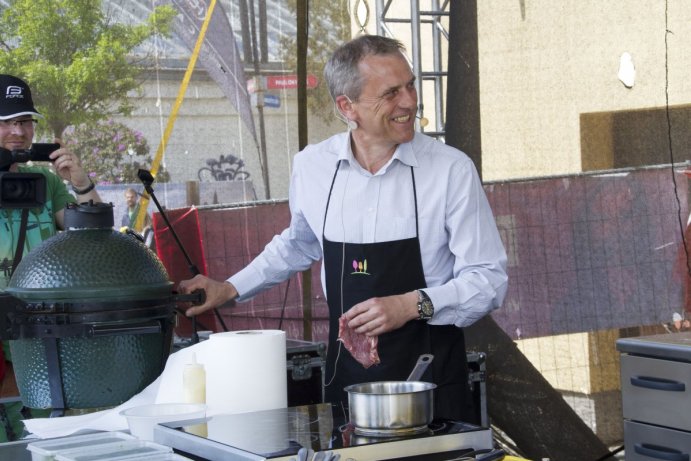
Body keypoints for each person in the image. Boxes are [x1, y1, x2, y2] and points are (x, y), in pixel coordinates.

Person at [178, 35, 508, 422]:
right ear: (346, 107)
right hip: (348, 386)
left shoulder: (450, 170)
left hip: (431, 385)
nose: (410, 101)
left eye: (410, 85)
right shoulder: (313, 167)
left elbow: (489, 279)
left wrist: (411, 304)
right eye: (390, 93)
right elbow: (298, 245)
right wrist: (230, 287)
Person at [0, 74, 100, 439]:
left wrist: (80, 181)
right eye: (7, 121)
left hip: (43, 335)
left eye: (25, 121)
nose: (19, 131)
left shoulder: (48, 183)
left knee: (47, 438)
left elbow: (93, 237)